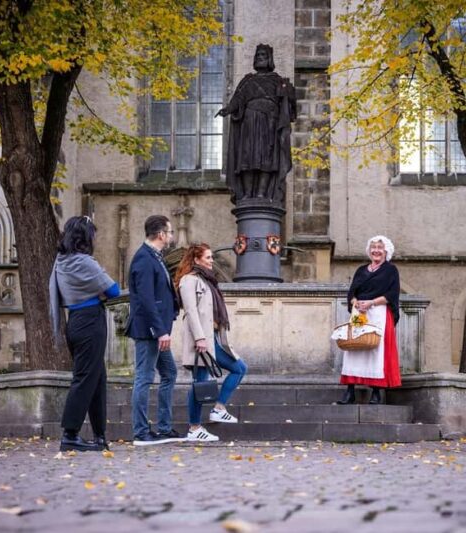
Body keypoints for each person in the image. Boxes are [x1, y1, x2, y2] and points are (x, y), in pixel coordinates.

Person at [49, 215, 120, 452]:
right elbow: (114, 290)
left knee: (97, 378)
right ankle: (70, 434)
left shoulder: (62, 261)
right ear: (84, 236)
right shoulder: (84, 262)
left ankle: (100, 435)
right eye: (93, 234)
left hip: (77, 322)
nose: (95, 239)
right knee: (84, 378)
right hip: (89, 322)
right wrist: (99, 291)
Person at [175, 244, 247, 442]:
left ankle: (218, 408)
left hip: (214, 338)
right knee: (200, 382)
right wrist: (199, 338)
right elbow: (190, 311)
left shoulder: (207, 281)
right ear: (196, 259)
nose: (211, 260)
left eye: (211, 256)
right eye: (208, 257)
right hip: (202, 340)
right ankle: (194, 428)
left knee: (239, 368)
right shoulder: (188, 281)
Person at [126, 215, 183, 446]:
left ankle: (164, 427)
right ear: (161, 235)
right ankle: (140, 433)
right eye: (169, 232)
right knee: (144, 377)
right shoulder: (143, 259)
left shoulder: (154, 257)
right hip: (149, 331)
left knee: (169, 373)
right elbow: (146, 300)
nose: (171, 236)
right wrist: (160, 331)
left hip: (158, 330)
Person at [217, 43, 296, 206]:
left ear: (270, 59)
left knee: (266, 159)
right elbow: (237, 100)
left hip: (269, 125)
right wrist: (227, 110)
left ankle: (262, 194)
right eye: (258, 56)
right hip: (250, 124)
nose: (260, 58)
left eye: (263, 56)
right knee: (247, 158)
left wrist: (287, 92)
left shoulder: (278, 81)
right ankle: (246, 195)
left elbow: (290, 107)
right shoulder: (248, 81)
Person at [337, 236, 402, 405]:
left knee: (376, 350)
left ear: (386, 251)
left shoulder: (391, 270)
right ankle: (350, 391)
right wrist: (355, 303)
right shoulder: (360, 270)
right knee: (355, 347)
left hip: (379, 312)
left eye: (380, 247)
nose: (376, 250)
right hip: (359, 314)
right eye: (373, 247)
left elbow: (392, 295)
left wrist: (371, 302)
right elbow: (351, 294)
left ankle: (376, 392)